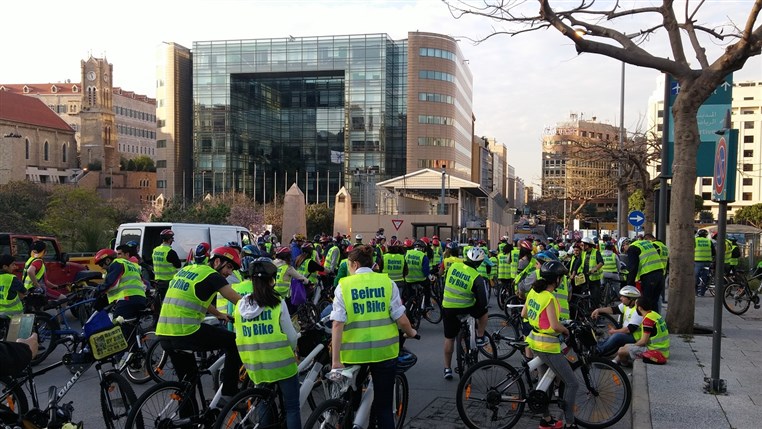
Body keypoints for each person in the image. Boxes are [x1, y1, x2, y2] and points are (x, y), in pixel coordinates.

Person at [330, 245, 417, 429]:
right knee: (384, 407)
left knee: (349, 402)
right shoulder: (387, 283)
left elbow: (337, 323)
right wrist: (411, 333)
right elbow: (401, 319)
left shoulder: (344, 285)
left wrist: (336, 361)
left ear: (354, 264)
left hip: (353, 355)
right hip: (384, 354)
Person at [155, 246, 243, 404]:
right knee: (235, 342)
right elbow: (238, 300)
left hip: (164, 333)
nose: (230, 273)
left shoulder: (189, 269)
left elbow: (197, 298)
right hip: (186, 332)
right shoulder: (213, 276)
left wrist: (218, 314)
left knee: (188, 384)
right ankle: (229, 394)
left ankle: (190, 419)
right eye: (229, 267)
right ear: (217, 261)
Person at [234, 258, 301, 428]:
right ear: (272, 279)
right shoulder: (277, 303)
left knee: (263, 402)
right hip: (282, 365)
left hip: (255, 364)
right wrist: (293, 350)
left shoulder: (241, 305)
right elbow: (292, 337)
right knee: (292, 408)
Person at [522, 260, 579, 429]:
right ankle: (570, 423)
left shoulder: (534, 291)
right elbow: (555, 326)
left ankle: (546, 421)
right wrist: (566, 331)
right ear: (557, 280)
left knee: (543, 384)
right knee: (572, 383)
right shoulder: (550, 297)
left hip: (534, 342)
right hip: (547, 346)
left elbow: (524, 313)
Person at [441, 247, 490, 380]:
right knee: (484, 312)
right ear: (479, 263)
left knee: (449, 338)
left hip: (448, 306)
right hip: (465, 307)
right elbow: (483, 301)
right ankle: (479, 337)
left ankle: (447, 368)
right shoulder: (476, 277)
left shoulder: (453, 266)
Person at [94, 248, 147, 320]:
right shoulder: (130, 264)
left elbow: (111, 283)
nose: (102, 267)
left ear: (108, 260)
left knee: (116, 325)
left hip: (127, 298)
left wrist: (97, 290)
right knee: (130, 324)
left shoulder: (116, 263)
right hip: (141, 299)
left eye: (101, 264)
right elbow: (143, 283)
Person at [615, 297, 670, 366]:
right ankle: (614, 362)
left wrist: (633, 346)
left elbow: (643, 341)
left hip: (655, 352)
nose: (635, 308)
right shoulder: (654, 314)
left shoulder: (648, 320)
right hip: (662, 350)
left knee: (621, 351)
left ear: (640, 308)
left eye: (636, 306)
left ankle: (625, 364)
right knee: (626, 346)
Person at [590, 286, 643, 357]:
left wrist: (615, 331)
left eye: (623, 297)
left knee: (617, 336)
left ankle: (598, 351)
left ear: (631, 299)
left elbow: (629, 329)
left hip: (635, 337)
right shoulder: (627, 305)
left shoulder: (637, 311)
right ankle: (597, 346)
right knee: (614, 334)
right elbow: (613, 310)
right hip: (628, 332)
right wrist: (598, 310)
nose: (620, 298)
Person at [623, 238, 665, 314]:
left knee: (646, 303)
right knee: (654, 303)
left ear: (624, 245)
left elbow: (633, 268)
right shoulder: (645, 243)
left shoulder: (632, 248)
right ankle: (656, 322)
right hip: (660, 274)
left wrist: (629, 286)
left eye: (624, 250)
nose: (626, 252)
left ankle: (647, 323)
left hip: (649, 275)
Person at [151, 229, 182, 303]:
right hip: (168, 282)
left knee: (159, 301)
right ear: (170, 240)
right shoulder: (170, 252)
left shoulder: (155, 250)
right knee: (169, 302)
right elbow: (178, 265)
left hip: (157, 281)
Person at [694, 229, 714, 297]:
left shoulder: (695, 240)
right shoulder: (709, 241)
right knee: (705, 277)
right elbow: (714, 252)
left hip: (697, 261)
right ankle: (702, 293)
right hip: (707, 262)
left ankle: (695, 292)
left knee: (695, 276)